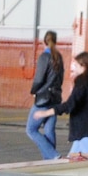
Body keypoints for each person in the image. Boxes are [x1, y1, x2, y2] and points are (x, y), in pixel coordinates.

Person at [26, 30, 64, 160]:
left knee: (31, 129)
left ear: (44, 41)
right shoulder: (59, 57)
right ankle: (49, 161)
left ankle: (53, 155)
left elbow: (39, 79)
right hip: (55, 98)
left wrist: (33, 91)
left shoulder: (44, 57)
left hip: (43, 98)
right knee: (49, 130)